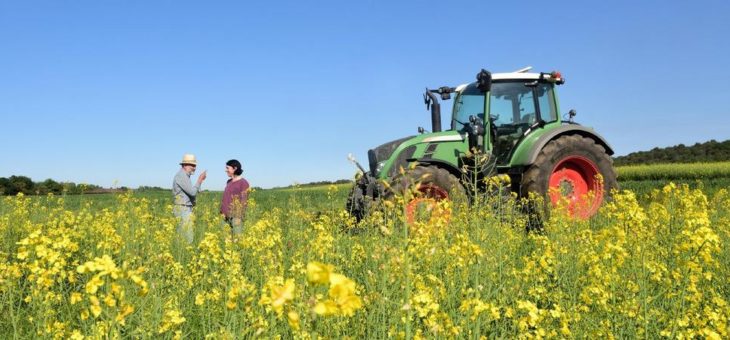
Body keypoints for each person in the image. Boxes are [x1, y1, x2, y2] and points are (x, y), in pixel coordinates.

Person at [172, 154, 207, 243]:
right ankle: (184, 253)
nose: (194, 168)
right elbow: (192, 192)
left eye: (194, 165)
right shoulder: (181, 176)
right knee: (187, 237)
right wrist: (200, 180)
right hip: (183, 208)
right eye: (191, 165)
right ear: (184, 165)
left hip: (184, 207)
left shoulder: (184, 176)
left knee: (182, 235)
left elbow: (189, 192)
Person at [220, 159, 249, 235]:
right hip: (224, 216)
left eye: (227, 168)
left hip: (236, 217)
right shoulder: (228, 182)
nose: (226, 170)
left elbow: (244, 201)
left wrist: (239, 217)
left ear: (235, 168)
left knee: (237, 240)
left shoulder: (243, 183)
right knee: (225, 240)